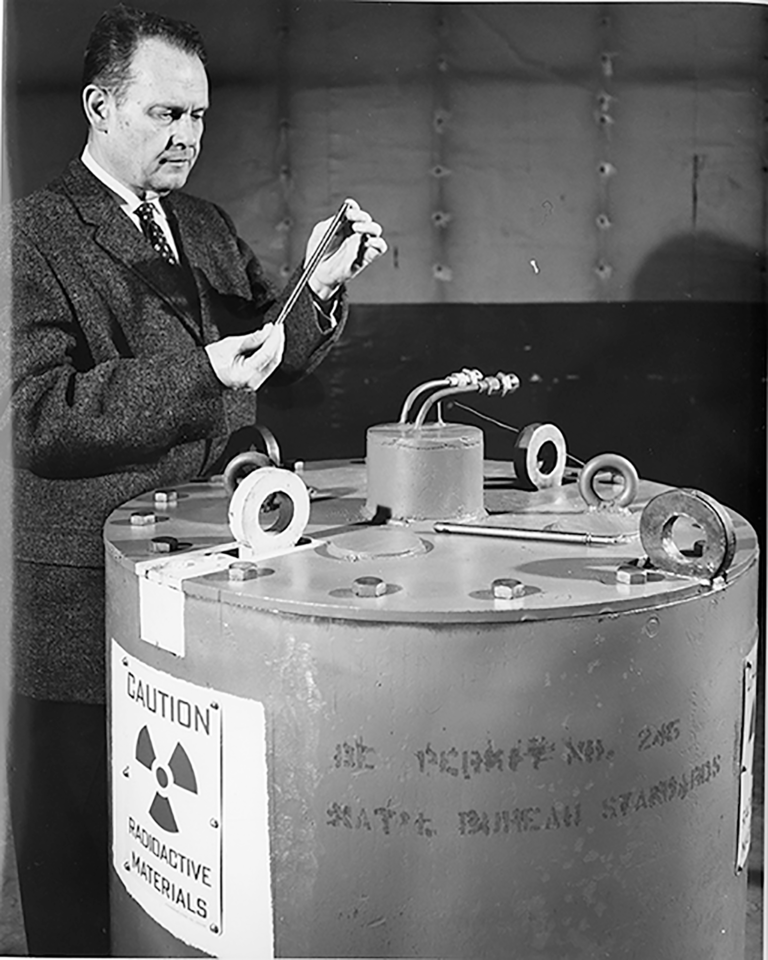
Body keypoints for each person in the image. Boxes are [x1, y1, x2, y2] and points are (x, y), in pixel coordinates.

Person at [2, 4, 386, 956]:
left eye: (201, 118)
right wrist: (203, 372)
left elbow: (269, 356)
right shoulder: (32, 235)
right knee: (80, 891)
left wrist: (319, 287)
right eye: (168, 114)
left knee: (187, 881)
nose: (189, 137)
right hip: (83, 621)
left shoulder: (203, 226)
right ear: (99, 106)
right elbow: (35, 418)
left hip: (215, 597)